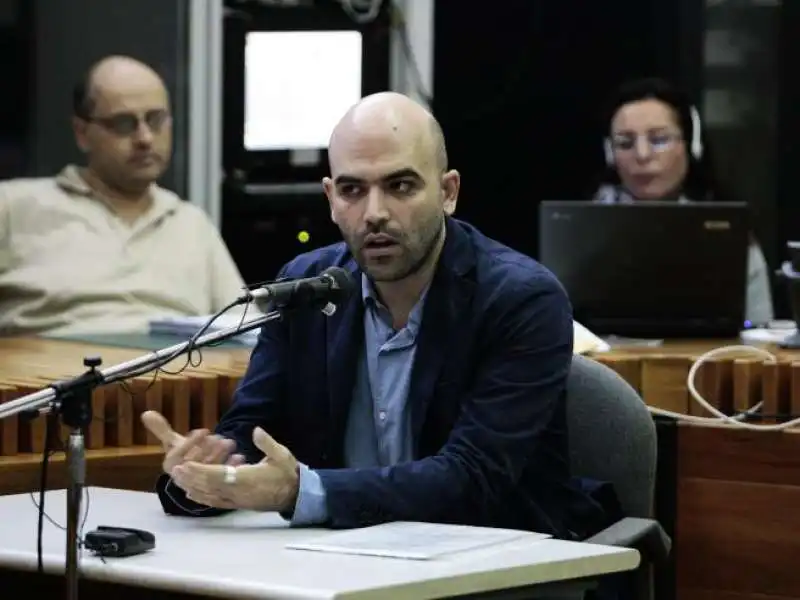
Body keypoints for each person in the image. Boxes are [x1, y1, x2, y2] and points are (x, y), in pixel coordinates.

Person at [142, 92, 618, 543]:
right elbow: (252, 429)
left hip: (495, 560)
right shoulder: (307, 286)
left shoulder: (520, 299)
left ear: (448, 192)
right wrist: (206, 471)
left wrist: (300, 492)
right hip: (341, 559)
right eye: (352, 190)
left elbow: (474, 478)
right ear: (330, 198)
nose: (374, 213)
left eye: (401, 186)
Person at [0, 55, 245, 336]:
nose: (145, 138)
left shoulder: (191, 223)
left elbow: (246, 330)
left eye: (155, 120)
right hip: (50, 372)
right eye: (123, 124)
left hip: (177, 374)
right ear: (82, 133)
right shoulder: (13, 207)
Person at [593, 77, 774, 325]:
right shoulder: (579, 231)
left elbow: (761, 336)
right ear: (609, 154)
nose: (642, 155)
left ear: (692, 146)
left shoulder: (730, 232)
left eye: (659, 140)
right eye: (625, 143)